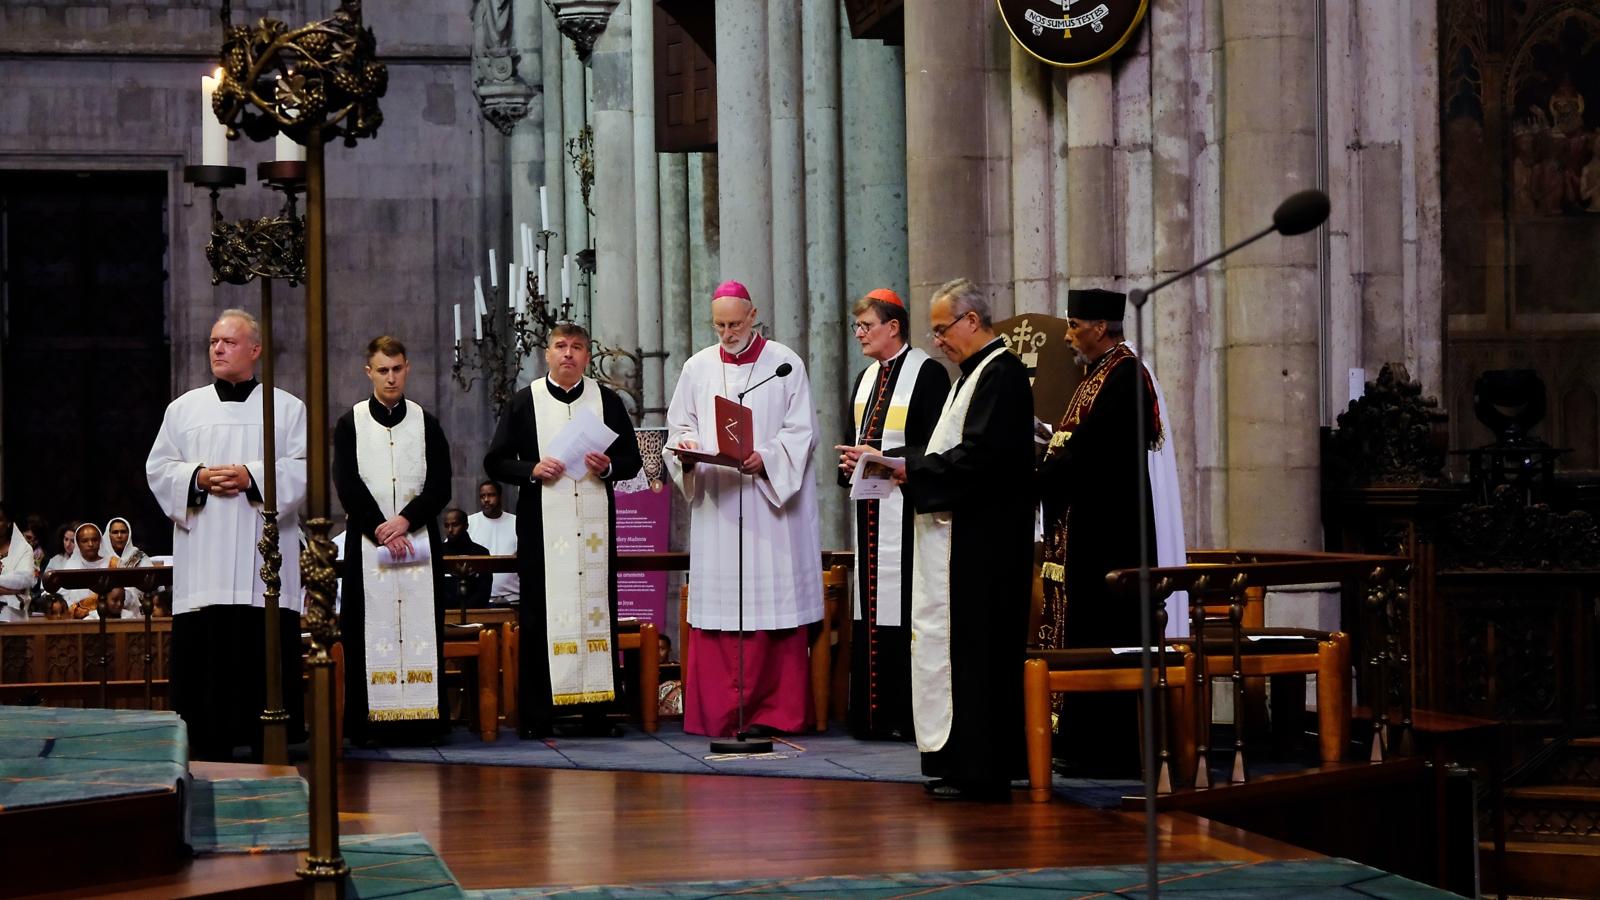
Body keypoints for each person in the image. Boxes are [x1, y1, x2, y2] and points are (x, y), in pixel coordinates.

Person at [663, 280, 824, 738]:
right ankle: (720, 714)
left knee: (770, 610)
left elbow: (802, 431)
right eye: (719, 325)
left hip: (766, 507)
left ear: (753, 315)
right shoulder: (697, 368)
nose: (727, 332)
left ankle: (775, 713)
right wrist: (689, 448)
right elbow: (680, 426)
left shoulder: (785, 364)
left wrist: (767, 457)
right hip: (718, 503)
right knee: (721, 612)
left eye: (735, 323)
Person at [1036, 288, 1187, 777]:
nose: (1068, 332)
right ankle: (1080, 742)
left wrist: (1038, 473)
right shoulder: (1097, 374)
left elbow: (1094, 454)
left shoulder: (1124, 376)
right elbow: (1077, 443)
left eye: (1075, 324)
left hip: (1110, 537)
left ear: (1101, 326)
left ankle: (1106, 750)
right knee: (1081, 630)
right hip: (1086, 531)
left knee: (1103, 631)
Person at [145, 308, 307, 761]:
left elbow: (303, 468)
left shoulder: (287, 407)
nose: (217, 348)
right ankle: (209, 739)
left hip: (264, 567)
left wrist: (250, 476)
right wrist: (196, 479)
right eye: (214, 341)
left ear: (254, 350)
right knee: (209, 653)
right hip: (206, 563)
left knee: (261, 646)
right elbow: (159, 468)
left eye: (228, 342)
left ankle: (267, 742)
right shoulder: (184, 409)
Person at [893, 278, 1034, 800]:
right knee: (955, 654)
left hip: (984, 549)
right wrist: (903, 466)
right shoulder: (970, 377)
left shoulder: (1002, 376)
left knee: (977, 656)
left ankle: (983, 770)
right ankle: (957, 763)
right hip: (962, 544)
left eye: (942, 329)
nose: (938, 341)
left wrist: (907, 470)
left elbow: (980, 461)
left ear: (972, 321)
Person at [485, 322, 641, 738]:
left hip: (593, 529)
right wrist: (531, 469)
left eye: (576, 347)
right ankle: (540, 715)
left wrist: (608, 466)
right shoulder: (524, 402)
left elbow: (632, 459)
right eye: (560, 346)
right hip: (542, 526)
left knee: (597, 610)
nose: (568, 354)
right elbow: (495, 462)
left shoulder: (606, 400)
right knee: (539, 614)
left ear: (587, 356)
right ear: (547, 354)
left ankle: (596, 712)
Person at [833, 288, 950, 741]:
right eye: (857, 327)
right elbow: (853, 434)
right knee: (871, 610)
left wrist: (881, 455)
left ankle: (904, 715)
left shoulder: (929, 375)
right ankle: (871, 716)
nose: (859, 334)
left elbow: (936, 447)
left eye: (866, 326)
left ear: (893, 327)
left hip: (907, 513)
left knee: (904, 611)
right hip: (870, 513)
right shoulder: (866, 379)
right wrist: (851, 462)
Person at [333, 335, 453, 744]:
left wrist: (405, 520)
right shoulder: (350, 423)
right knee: (367, 628)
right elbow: (346, 483)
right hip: (368, 545)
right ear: (369, 372)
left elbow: (441, 485)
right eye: (382, 370)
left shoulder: (426, 422)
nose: (390, 378)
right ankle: (369, 723)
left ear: (407, 368)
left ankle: (423, 721)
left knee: (423, 624)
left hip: (417, 540)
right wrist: (379, 528)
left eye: (397, 369)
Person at [467, 480, 519, 605]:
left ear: (500, 497)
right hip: (479, 600)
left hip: (515, 598)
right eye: (482, 496)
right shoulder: (469, 523)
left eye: (491, 495)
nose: (486, 499)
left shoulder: (517, 523)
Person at [440, 508, 491, 610]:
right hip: (446, 612)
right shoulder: (439, 552)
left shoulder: (481, 553)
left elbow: (484, 590)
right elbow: (437, 587)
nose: (450, 530)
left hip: (476, 612)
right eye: (446, 526)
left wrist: (467, 608)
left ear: (466, 526)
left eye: (455, 525)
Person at [0, 503, 36, 622]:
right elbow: (16, 585)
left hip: (13, 619)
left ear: (8, 523)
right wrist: (11, 590)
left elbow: (24, 579)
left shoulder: (23, 549)